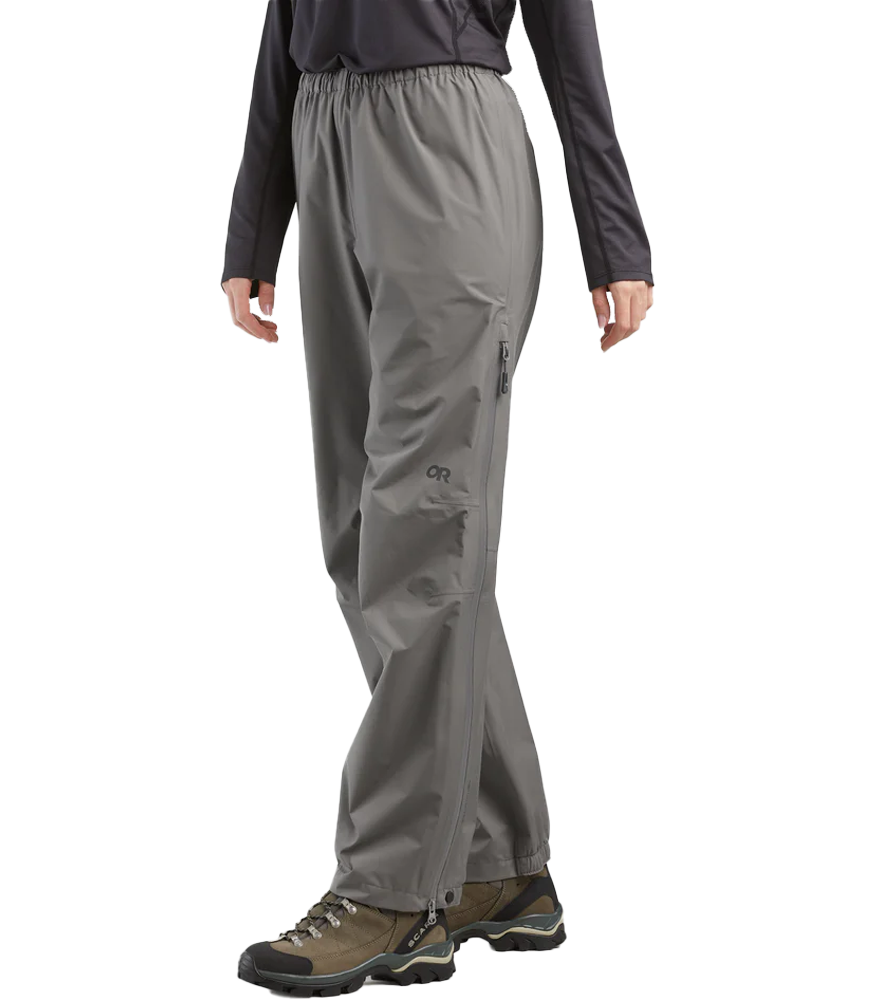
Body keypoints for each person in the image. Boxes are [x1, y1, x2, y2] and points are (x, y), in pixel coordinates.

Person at [224, 1, 654, 993]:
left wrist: (615, 239)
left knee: (421, 533)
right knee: (364, 534)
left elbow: (564, 29)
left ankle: (391, 890)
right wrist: (255, 223)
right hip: (323, 131)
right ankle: (496, 864)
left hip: (445, 140)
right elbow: (284, 18)